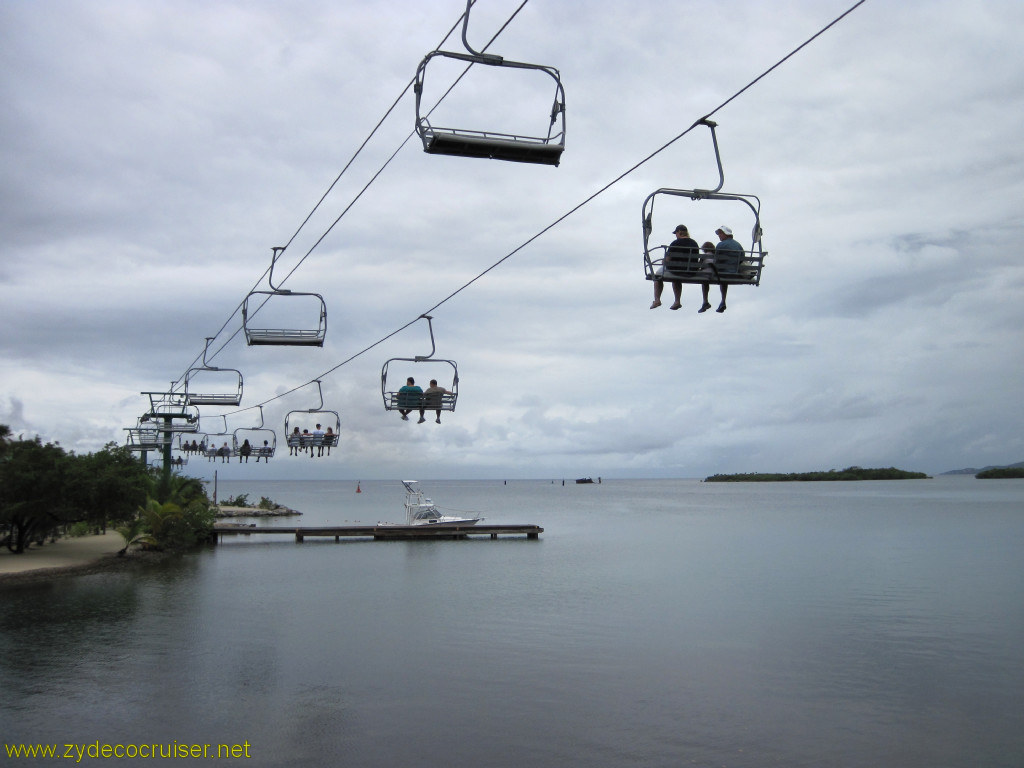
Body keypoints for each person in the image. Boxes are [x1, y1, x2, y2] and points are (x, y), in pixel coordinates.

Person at [651, 224, 699, 310]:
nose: (676, 235)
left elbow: (666, 260)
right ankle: (677, 301)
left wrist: (663, 261)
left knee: (657, 275)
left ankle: (657, 300)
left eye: (676, 233)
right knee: (676, 277)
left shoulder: (675, 243)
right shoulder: (694, 243)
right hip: (691, 271)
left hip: (676, 270)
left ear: (679, 232)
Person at [699, 226, 744, 313]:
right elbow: (742, 258)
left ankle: (705, 301)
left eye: (720, 233)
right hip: (734, 272)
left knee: (706, 278)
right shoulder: (738, 245)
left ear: (726, 234)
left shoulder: (721, 245)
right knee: (724, 279)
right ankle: (723, 300)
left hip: (722, 273)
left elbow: (716, 260)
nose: (719, 235)